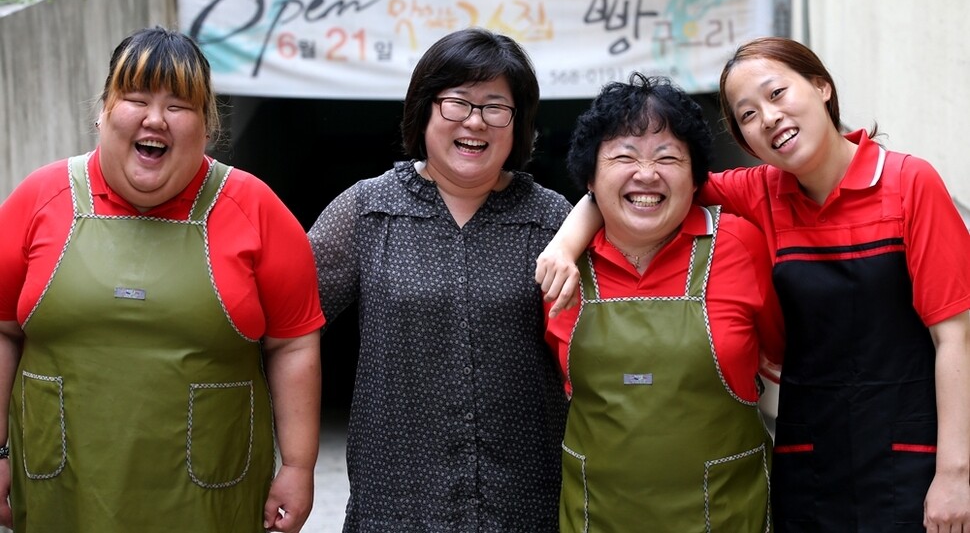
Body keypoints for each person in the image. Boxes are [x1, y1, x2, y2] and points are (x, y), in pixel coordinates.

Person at [536, 37, 970, 531]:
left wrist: (955, 473)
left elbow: (955, 337)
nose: (768, 117)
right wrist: (566, 245)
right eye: (746, 115)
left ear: (822, 87)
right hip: (808, 453)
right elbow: (641, 187)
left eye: (777, 93)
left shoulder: (910, 183)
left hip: (909, 448)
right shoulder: (760, 190)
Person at [0, 27, 325, 533]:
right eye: (134, 98)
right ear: (103, 110)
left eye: (179, 105)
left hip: (210, 499)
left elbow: (293, 344)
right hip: (60, 490)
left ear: (207, 125)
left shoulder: (256, 208)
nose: (155, 118)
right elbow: (2, 331)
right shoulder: (37, 200)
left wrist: (300, 465)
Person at [308, 27, 570, 532]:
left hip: (524, 498)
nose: (475, 121)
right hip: (397, 499)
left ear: (518, 124)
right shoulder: (368, 209)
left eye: (496, 106)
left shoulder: (549, 218)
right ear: (424, 110)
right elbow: (287, 320)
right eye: (457, 103)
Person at [546, 72, 781, 532]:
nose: (647, 174)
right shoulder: (562, 268)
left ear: (696, 179)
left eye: (668, 157)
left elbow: (780, 354)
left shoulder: (740, 244)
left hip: (729, 516)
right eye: (623, 156)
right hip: (596, 518)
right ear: (590, 178)